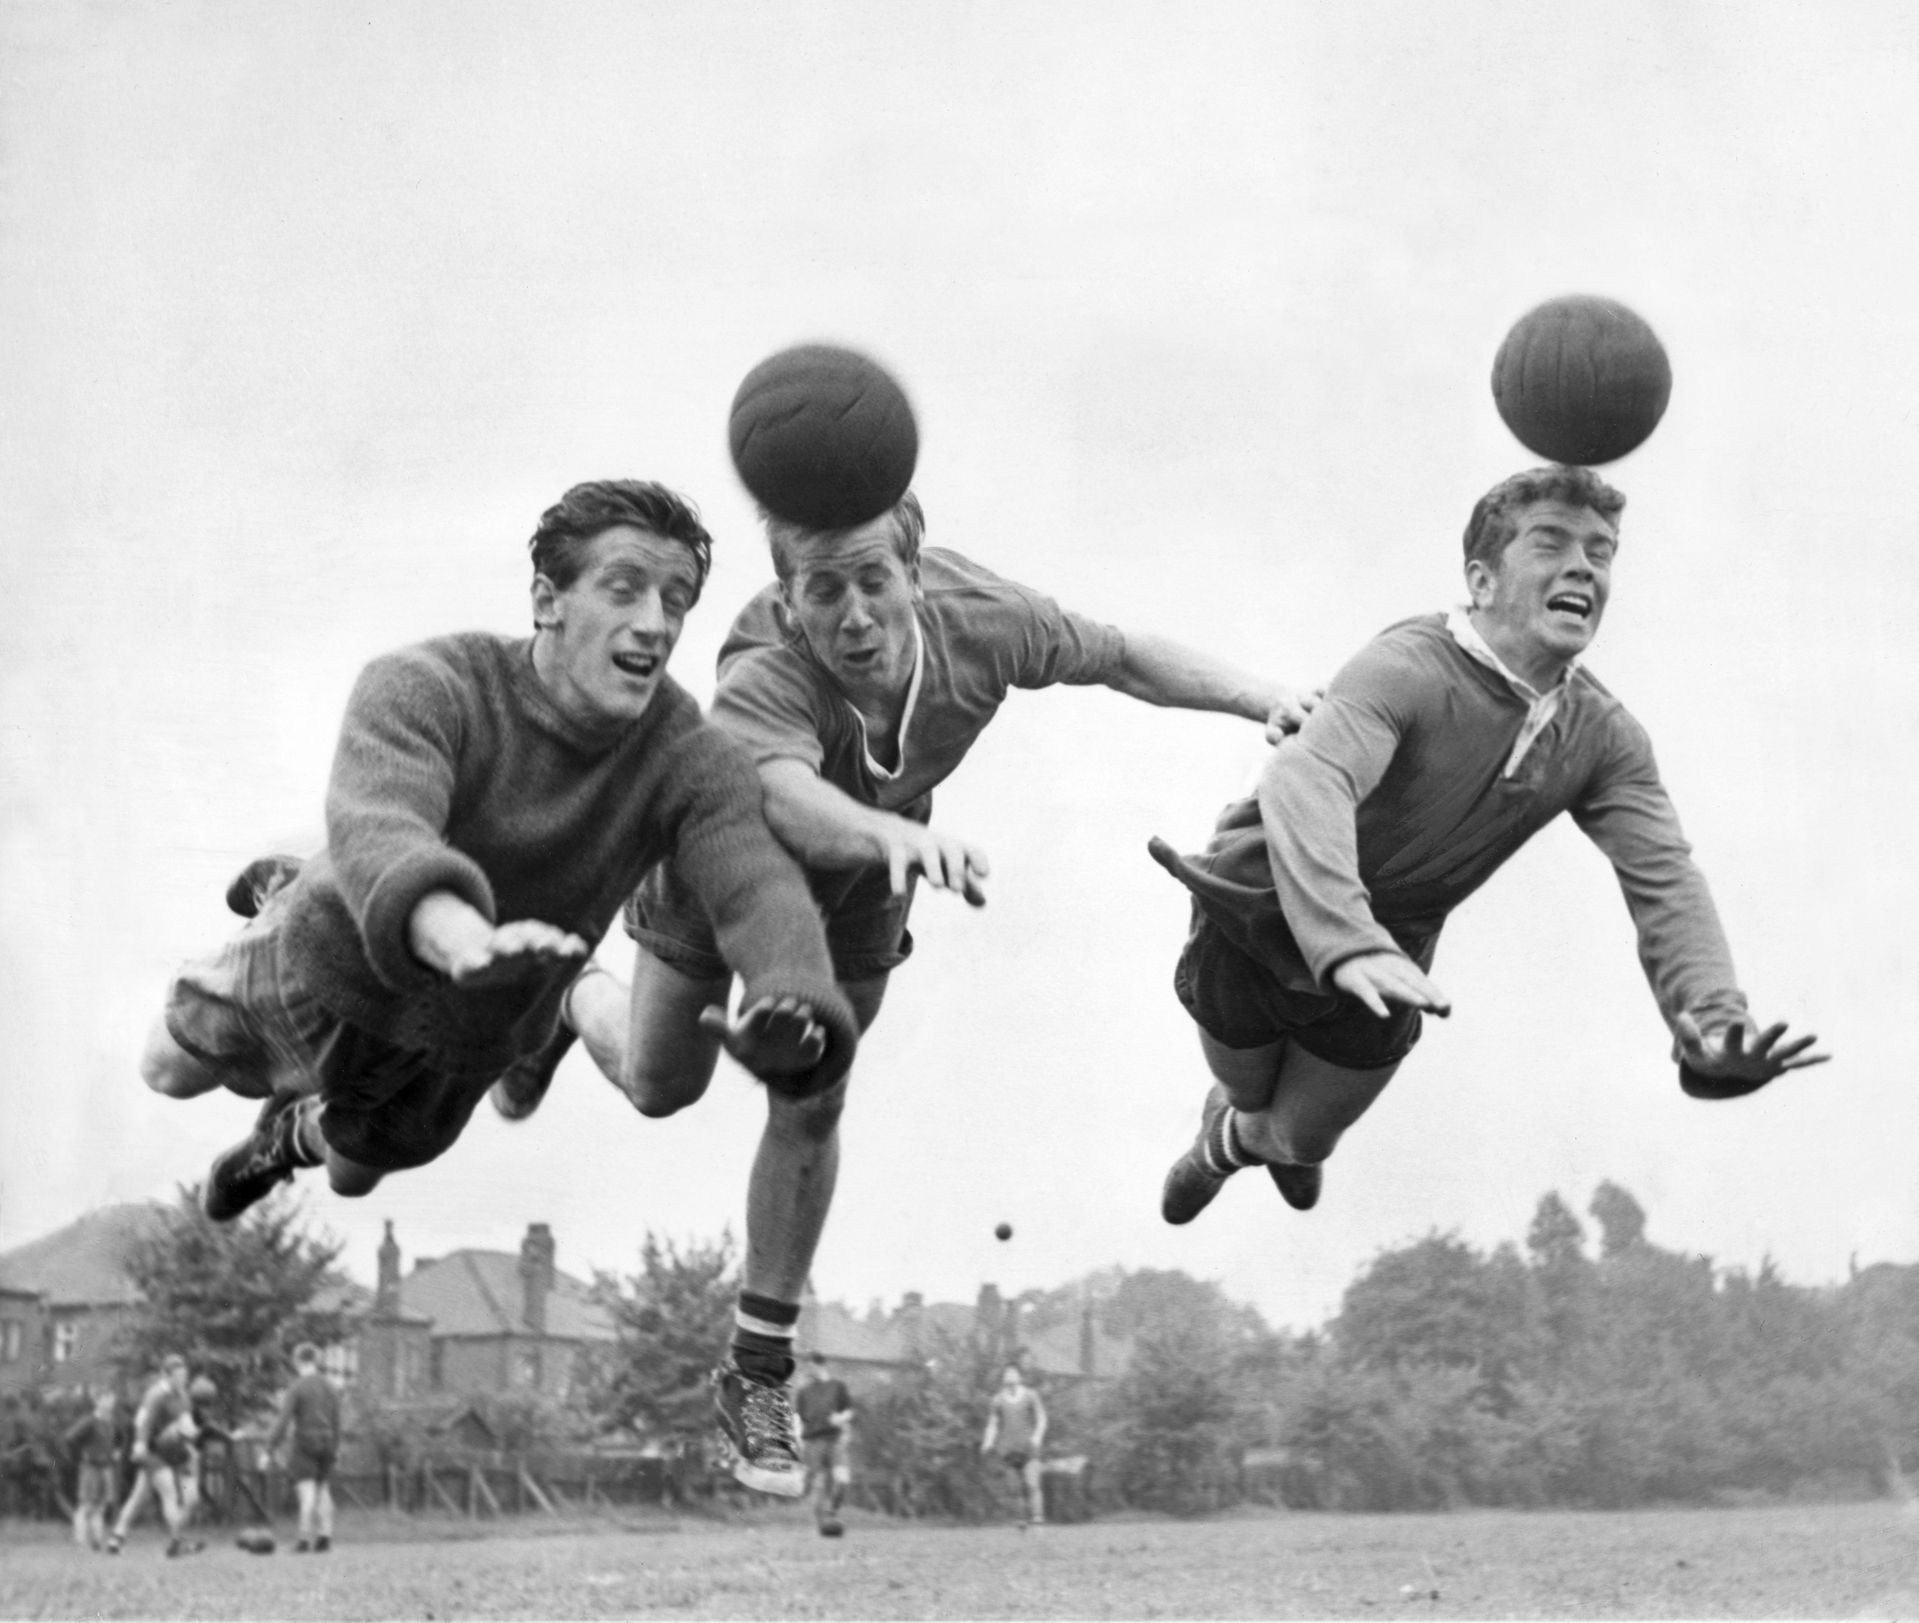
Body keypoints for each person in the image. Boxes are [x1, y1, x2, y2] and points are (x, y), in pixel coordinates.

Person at [512, 490, 1316, 1495]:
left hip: (859, 883)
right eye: (822, 591)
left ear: (915, 572)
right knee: (656, 1083)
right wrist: (895, 836)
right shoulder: (762, 665)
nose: (851, 617)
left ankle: (756, 1370)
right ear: (787, 597)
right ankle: (564, 992)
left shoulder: (983, 620)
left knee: (813, 1096)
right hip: (722, 851)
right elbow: (787, 803)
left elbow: (1120, 656)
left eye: (871, 582)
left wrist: (1263, 698)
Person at [136, 479, 859, 1222]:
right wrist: (464, 943)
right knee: (165, 1068)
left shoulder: (691, 762)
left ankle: (280, 1144)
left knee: (351, 1175)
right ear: (549, 600)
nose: (654, 623)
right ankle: (292, 883)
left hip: (468, 1036)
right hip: (330, 962)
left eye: (675, 599)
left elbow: (755, 887)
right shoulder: (425, 684)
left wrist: (796, 1005)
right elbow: (387, 828)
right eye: (623, 589)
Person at [1150, 464, 1829, 1223]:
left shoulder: (1604, 737)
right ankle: (1232, 1116)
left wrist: (1710, 1017)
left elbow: (1664, 876)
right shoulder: (1404, 666)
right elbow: (1305, 782)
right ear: (1480, 578)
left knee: (1304, 1141)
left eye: (1600, 552)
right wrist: (1345, 938)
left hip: (1394, 947)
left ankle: (1235, 1144)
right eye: (1551, 543)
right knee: (1250, 1088)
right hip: (1262, 901)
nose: (1582, 566)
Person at [107, 1355, 202, 1557]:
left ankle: (117, 1536)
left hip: (172, 1451)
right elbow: (143, 1422)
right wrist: (140, 1445)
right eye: (177, 1376)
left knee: (142, 1497)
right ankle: (178, 1543)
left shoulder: (183, 1396)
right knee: (169, 1492)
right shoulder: (155, 1395)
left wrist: (193, 1438)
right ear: (165, 1376)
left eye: (184, 1375)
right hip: (151, 1452)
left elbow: (186, 1425)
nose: (182, 1379)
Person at [267, 1343, 342, 1552]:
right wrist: (336, 1448)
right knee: (323, 1489)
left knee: (307, 1492)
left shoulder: (297, 1387)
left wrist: (269, 1448)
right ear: (316, 1360)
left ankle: (303, 1539)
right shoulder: (330, 1386)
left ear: (297, 1361)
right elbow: (337, 1421)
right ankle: (325, 1537)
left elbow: (283, 1421)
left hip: (305, 1442)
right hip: (328, 1442)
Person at [794, 1352, 855, 1536]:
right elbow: (798, 1420)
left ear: (820, 1365)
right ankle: (822, 1526)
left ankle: (832, 1513)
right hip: (813, 1441)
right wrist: (798, 1443)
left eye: (810, 1365)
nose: (807, 1370)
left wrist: (841, 1419)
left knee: (842, 1480)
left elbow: (849, 1412)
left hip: (835, 1440)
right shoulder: (804, 1392)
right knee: (819, 1485)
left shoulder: (838, 1386)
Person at [980, 1363, 1047, 1527]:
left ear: (1020, 1377)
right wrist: (987, 1441)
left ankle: (1037, 1518)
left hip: (1029, 1447)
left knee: (1032, 1483)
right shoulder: (997, 1400)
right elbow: (993, 1424)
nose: (1010, 1376)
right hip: (1008, 1450)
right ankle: (1021, 1521)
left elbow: (1042, 1418)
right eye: (1007, 1373)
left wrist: (1037, 1436)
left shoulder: (1031, 1395)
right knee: (1014, 1488)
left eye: (1013, 1373)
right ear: (1003, 1379)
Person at [63, 1392, 121, 1552]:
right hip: (90, 1468)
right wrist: (83, 1455)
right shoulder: (90, 1422)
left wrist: (116, 1452)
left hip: (105, 1468)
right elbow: (70, 1438)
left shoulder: (110, 1422)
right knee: (86, 1505)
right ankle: (80, 1542)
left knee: (101, 1506)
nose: (110, 1403)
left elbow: (118, 1441)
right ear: (98, 1401)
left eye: (112, 1400)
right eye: (107, 1399)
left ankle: (96, 1542)